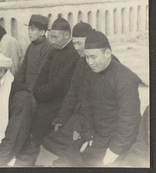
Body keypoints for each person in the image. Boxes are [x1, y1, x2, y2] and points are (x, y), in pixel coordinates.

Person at [53, 30, 141, 167]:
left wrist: (113, 151)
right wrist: (89, 138)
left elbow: (129, 122)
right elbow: (86, 110)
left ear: (107, 53)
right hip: (96, 138)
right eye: (87, 57)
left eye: (93, 57)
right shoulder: (91, 74)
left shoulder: (125, 78)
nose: (90, 62)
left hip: (117, 142)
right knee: (61, 162)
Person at [35, 22, 93, 166]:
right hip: (77, 111)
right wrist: (61, 118)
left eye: (80, 43)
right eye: (75, 44)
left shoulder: (93, 62)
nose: (77, 48)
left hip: (91, 118)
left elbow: (92, 101)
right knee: (50, 138)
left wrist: (79, 125)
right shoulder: (81, 60)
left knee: (73, 144)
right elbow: (73, 92)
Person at [31, 17, 79, 146]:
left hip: (59, 100)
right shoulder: (54, 50)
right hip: (46, 96)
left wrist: (40, 94)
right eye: (51, 37)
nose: (52, 41)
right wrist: (37, 91)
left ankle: (36, 145)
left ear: (67, 35)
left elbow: (60, 84)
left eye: (55, 37)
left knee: (40, 115)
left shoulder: (73, 54)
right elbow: (42, 74)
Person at [16, 14, 53, 92]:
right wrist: (18, 88)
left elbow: (41, 74)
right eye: (28, 29)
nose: (29, 32)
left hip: (37, 91)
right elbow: (23, 69)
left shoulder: (47, 48)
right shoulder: (31, 46)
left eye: (32, 29)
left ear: (42, 32)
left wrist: (31, 91)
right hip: (26, 89)